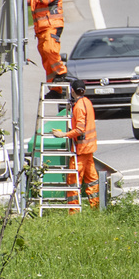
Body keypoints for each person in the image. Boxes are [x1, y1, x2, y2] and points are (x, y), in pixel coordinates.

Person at [49, 79, 98, 211]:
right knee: (92, 180)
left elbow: (80, 130)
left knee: (73, 181)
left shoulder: (79, 107)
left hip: (81, 150)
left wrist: (63, 134)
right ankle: (95, 207)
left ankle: (74, 211)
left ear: (71, 91)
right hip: (89, 149)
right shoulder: (87, 103)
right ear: (84, 90)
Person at [24, 0, 68, 83]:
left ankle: (62, 72)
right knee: (46, 61)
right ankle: (55, 89)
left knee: (50, 51)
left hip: (52, 26)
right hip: (41, 31)